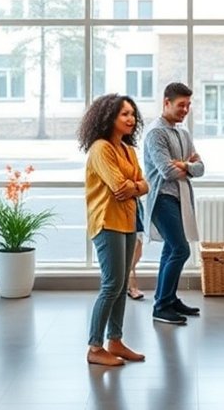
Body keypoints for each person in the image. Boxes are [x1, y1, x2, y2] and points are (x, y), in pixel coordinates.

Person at [80, 93, 149, 366]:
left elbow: (144, 185)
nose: (131, 119)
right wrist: (135, 187)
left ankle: (115, 340)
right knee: (111, 285)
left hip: (128, 221)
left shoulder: (128, 150)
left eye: (132, 114)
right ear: (109, 117)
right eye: (124, 114)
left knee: (121, 286)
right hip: (107, 221)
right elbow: (119, 187)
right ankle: (95, 347)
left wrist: (135, 187)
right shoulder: (100, 149)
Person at [144, 82, 203, 325]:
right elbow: (167, 171)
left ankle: (167, 298)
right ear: (166, 103)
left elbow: (201, 168)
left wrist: (185, 166)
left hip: (179, 197)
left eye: (188, 105)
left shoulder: (183, 133)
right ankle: (161, 307)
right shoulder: (156, 133)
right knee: (181, 249)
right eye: (181, 105)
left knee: (170, 249)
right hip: (161, 198)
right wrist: (183, 165)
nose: (185, 110)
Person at [127, 200, 146, 300]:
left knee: (137, 255)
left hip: (136, 218)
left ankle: (131, 287)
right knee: (131, 258)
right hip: (130, 220)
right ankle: (132, 288)